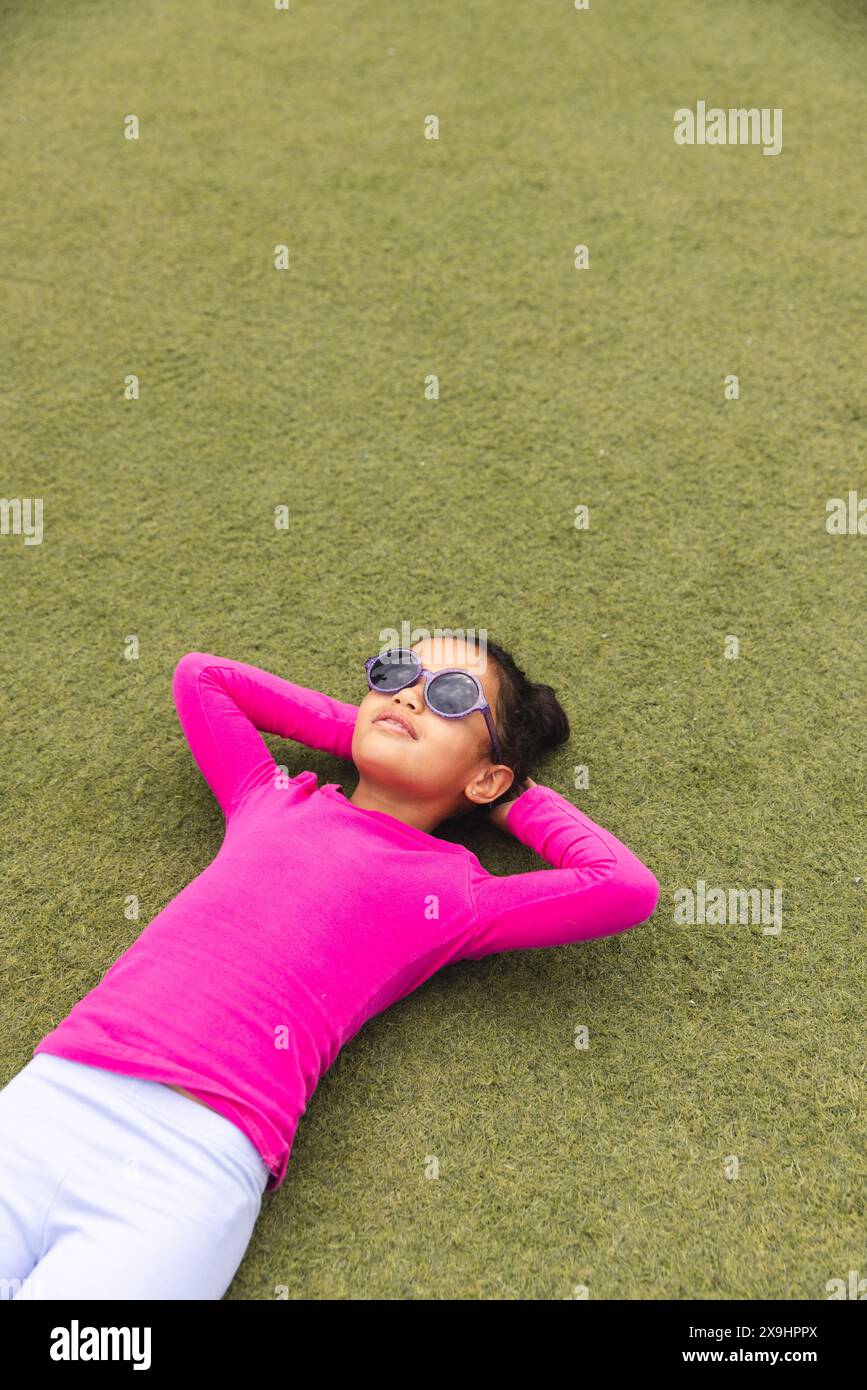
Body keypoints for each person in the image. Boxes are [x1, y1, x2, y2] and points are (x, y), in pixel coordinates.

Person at [0, 634, 659, 1299]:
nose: (407, 693)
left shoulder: (455, 895)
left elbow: (621, 885)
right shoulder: (272, 797)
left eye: (451, 696)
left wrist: (509, 796)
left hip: (194, 1159)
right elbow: (203, 678)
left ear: (484, 774)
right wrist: (367, 727)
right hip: (54, 1098)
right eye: (396, 672)